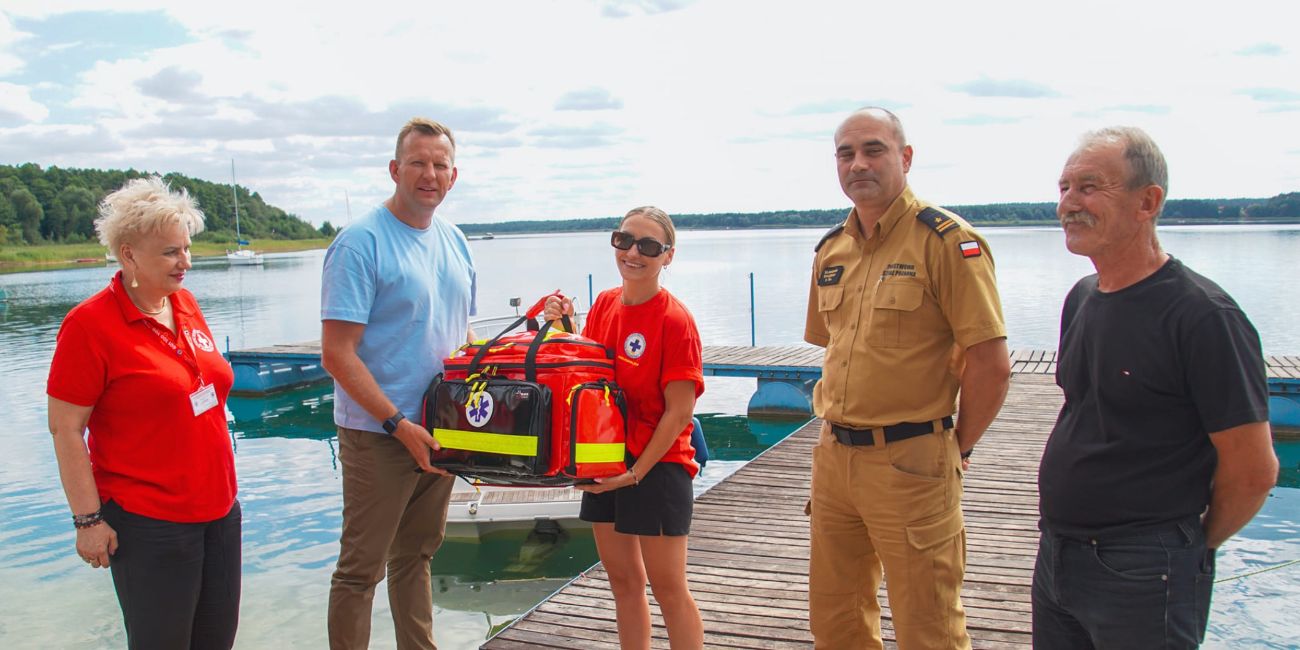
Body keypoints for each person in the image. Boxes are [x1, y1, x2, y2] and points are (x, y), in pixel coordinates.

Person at [1033, 126, 1279, 649]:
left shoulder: (1203, 316)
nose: (1068, 204)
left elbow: (1254, 471)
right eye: (1064, 188)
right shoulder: (1082, 297)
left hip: (1145, 568)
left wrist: (1186, 549)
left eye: (1089, 187)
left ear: (1147, 202)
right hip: (1057, 555)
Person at [802, 107, 1011, 649]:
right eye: (846, 154)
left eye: (873, 150)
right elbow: (832, 346)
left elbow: (991, 364)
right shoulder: (831, 250)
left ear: (906, 157)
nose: (858, 164)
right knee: (836, 622)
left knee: (929, 626)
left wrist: (957, 446)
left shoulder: (946, 242)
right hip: (834, 460)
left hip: (912, 461)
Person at [46, 176, 241, 649]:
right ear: (129, 255)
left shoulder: (184, 303)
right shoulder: (89, 325)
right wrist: (87, 521)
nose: (185, 262)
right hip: (149, 522)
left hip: (219, 511)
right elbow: (65, 428)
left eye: (187, 248)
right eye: (171, 252)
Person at [321, 117, 477, 650]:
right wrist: (397, 423)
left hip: (441, 429)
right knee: (360, 570)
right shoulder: (360, 243)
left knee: (416, 555)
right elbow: (337, 354)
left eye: (439, 165)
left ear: (453, 176)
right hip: (378, 433)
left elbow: (459, 335)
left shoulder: (456, 241)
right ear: (394, 169)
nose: (429, 174)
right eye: (417, 163)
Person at [544, 206, 706, 650]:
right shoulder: (605, 304)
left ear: (667, 256)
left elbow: (679, 413)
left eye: (648, 246)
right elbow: (588, 373)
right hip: (606, 458)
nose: (633, 253)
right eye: (625, 240)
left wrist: (635, 474)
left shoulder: (675, 320)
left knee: (669, 588)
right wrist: (562, 325)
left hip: (659, 464)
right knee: (623, 581)